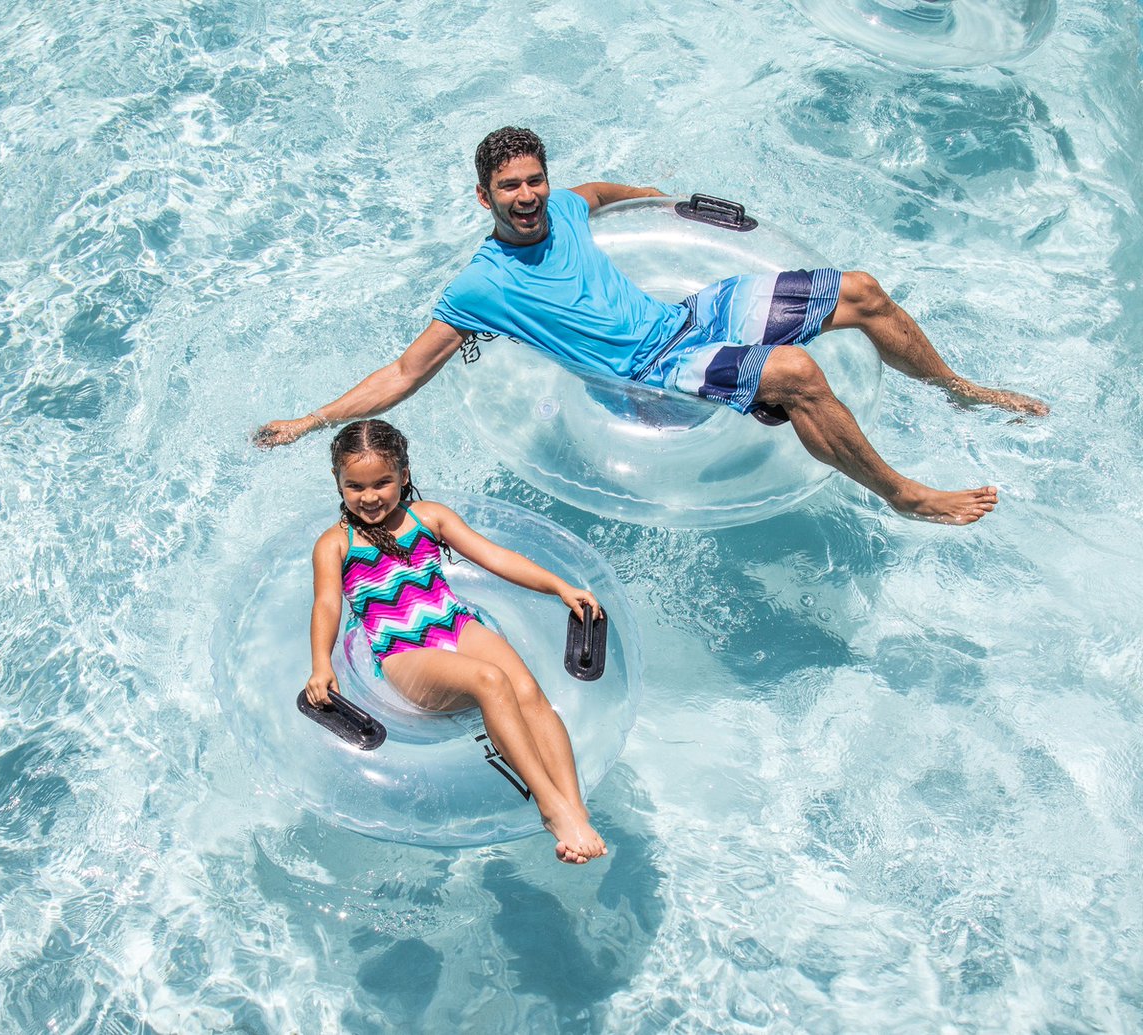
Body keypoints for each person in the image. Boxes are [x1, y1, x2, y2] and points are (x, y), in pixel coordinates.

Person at [257, 126, 1049, 525]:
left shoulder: (567, 205)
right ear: (483, 198)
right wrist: (311, 420)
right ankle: (906, 495)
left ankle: (958, 389)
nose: (527, 196)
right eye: (509, 187)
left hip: (684, 318)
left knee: (865, 290)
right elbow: (403, 372)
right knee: (801, 376)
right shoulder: (481, 287)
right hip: (651, 372)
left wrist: (669, 201)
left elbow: (603, 194)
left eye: (534, 179)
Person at [305, 418, 607, 864]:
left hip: (455, 623)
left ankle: (575, 811)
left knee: (526, 690)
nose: (370, 497)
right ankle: (551, 807)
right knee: (490, 680)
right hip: (403, 648)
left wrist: (559, 587)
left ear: (404, 475)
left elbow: (495, 557)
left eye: (383, 482)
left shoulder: (429, 517)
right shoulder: (335, 543)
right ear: (338, 482)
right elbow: (328, 605)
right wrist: (320, 664)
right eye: (356, 486)